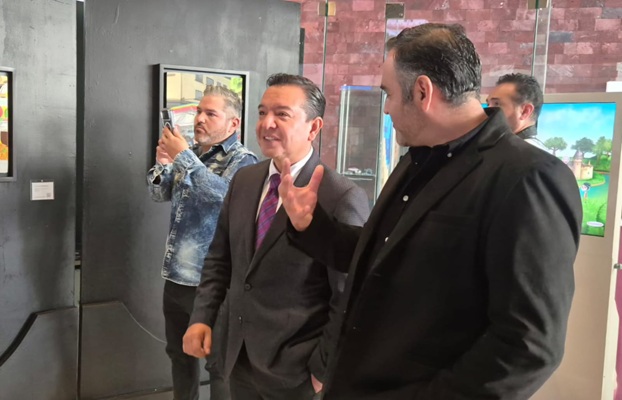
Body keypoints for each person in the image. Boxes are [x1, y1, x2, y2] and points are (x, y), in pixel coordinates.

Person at [280, 23, 582, 399]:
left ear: (423, 92)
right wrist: (311, 225)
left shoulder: (527, 177)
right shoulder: (417, 159)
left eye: (389, 94)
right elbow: (386, 255)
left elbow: (528, 345)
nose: (387, 108)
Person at [183, 73, 369, 400]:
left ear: (313, 128)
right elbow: (220, 259)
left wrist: (323, 370)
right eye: (262, 112)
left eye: (282, 114)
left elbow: (348, 296)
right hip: (238, 358)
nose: (267, 123)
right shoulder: (245, 180)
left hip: (297, 373)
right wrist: (202, 317)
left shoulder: (340, 196)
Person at [148, 85, 257, 400]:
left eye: (211, 113)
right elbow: (159, 194)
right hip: (176, 277)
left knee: (218, 366)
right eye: (198, 111)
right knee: (179, 355)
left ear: (233, 123)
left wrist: (182, 157)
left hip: (212, 284)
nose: (200, 119)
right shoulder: (193, 154)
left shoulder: (244, 160)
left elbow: (223, 198)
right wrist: (164, 163)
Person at [487, 72, 548, 150]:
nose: (487, 112)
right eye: (488, 104)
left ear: (525, 111)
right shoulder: (531, 149)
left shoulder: (523, 151)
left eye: (496, 104)